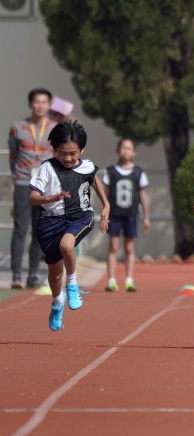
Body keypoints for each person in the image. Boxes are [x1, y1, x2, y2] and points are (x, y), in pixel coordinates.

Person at [29, 121, 110, 332]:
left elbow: (94, 180)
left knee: (67, 245)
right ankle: (57, 302)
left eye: (72, 154)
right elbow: (32, 198)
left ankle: (72, 284)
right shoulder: (47, 168)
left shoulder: (87, 166)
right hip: (50, 222)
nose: (67, 158)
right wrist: (51, 197)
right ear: (55, 150)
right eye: (63, 153)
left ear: (82, 150)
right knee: (55, 275)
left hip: (80, 218)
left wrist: (106, 204)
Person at [7, 88, 56, 289]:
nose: (40, 106)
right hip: (23, 183)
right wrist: (18, 176)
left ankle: (33, 273)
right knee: (20, 229)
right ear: (30, 104)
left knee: (39, 230)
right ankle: (17, 274)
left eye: (44, 102)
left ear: (49, 105)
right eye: (37, 102)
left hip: (44, 186)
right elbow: (13, 155)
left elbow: (58, 156)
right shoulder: (17, 127)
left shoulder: (55, 129)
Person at [102, 138, 150, 292]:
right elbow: (104, 194)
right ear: (117, 150)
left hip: (131, 214)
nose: (125, 151)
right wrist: (104, 213)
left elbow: (143, 195)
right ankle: (111, 279)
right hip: (114, 214)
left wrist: (146, 217)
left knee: (129, 247)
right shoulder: (110, 172)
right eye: (123, 148)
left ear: (134, 152)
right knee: (113, 246)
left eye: (129, 148)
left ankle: (129, 279)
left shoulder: (139, 172)